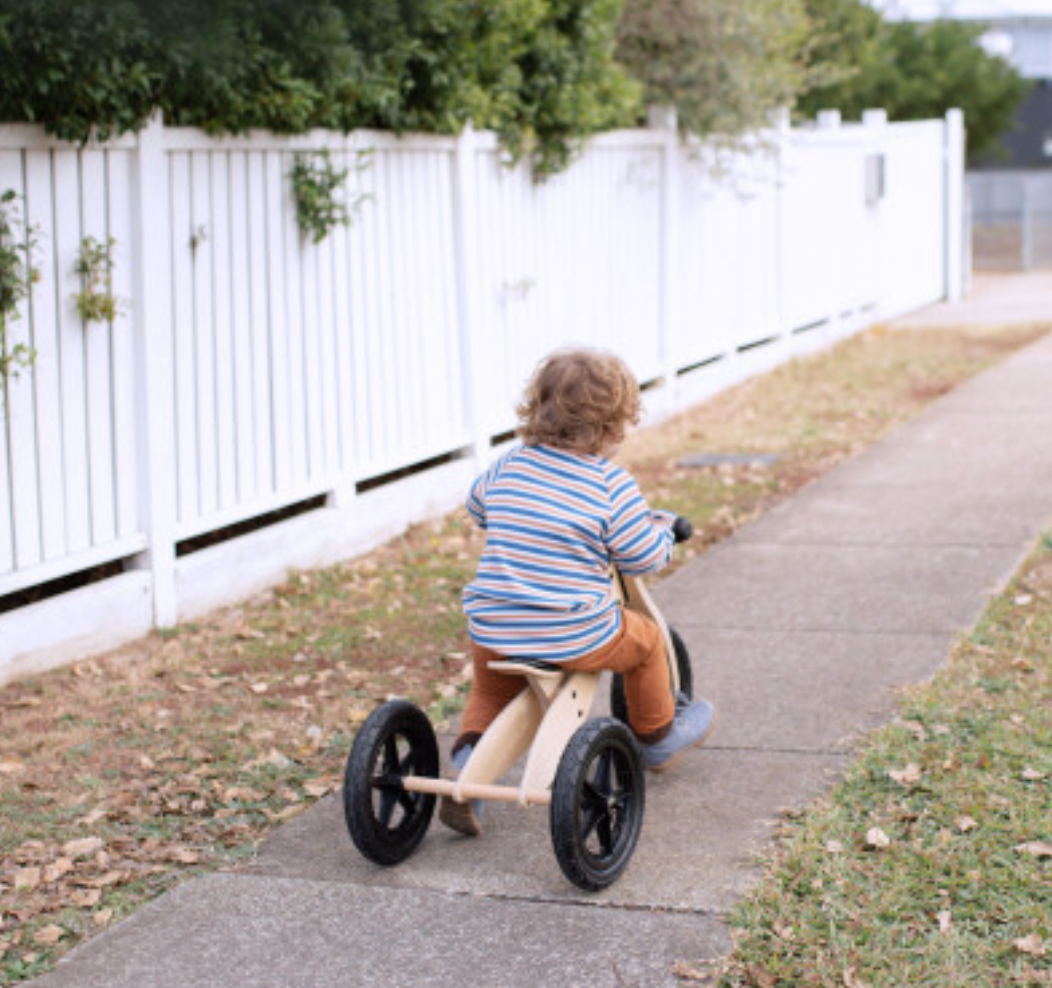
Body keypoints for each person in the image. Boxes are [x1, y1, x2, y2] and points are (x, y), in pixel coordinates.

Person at [440, 347, 716, 836]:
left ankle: (466, 766)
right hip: (575, 629)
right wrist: (665, 536)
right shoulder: (611, 485)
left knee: (490, 689)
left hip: (497, 624)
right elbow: (641, 557)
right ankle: (656, 734)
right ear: (611, 428)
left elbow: (479, 508)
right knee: (647, 640)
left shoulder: (509, 466)